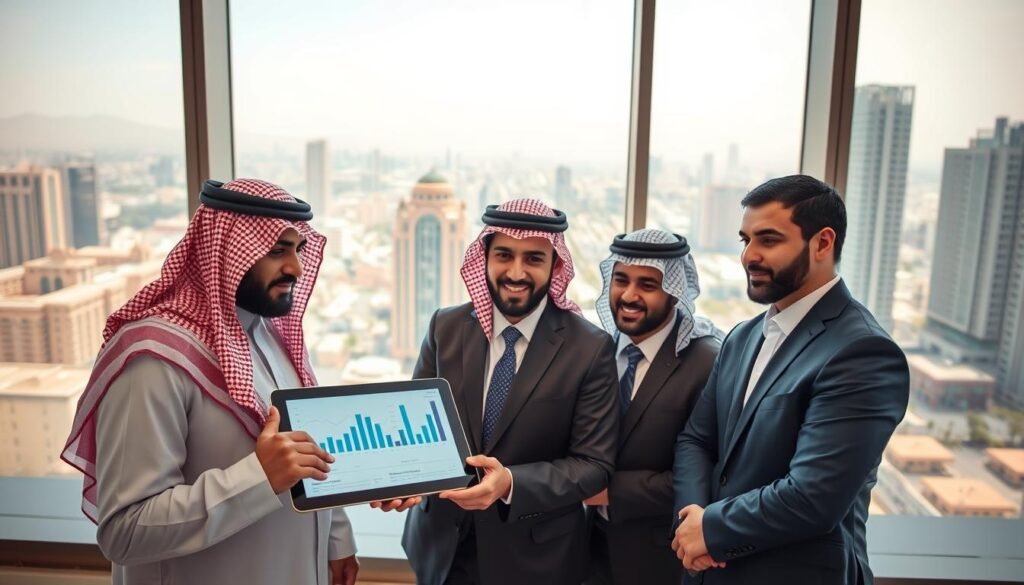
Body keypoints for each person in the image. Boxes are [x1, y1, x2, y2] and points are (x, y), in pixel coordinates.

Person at [61, 179, 358, 585]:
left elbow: (304, 451)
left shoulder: (274, 339)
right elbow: (124, 531)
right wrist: (260, 478)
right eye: (276, 251)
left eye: (298, 249)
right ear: (224, 253)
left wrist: (336, 539)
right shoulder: (153, 359)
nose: (296, 267)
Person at [671, 175, 909, 585]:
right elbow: (697, 439)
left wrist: (712, 529)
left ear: (822, 243)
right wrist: (693, 520)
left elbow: (813, 497)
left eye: (768, 240)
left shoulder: (863, 352)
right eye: (745, 239)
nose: (749, 256)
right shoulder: (743, 336)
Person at [389, 199, 619, 585]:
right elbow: (417, 428)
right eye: (504, 255)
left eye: (533, 258)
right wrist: (398, 481)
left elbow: (593, 466)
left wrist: (510, 483)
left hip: (533, 557)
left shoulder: (589, 348)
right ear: (485, 259)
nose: (516, 272)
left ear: (554, 265)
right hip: (441, 545)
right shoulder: (445, 326)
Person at [584, 229, 722, 585]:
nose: (629, 296)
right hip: (581, 554)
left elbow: (709, 472)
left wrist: (607, 492)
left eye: (647, 284)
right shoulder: (593, 350)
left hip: (659, 561)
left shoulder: (707, 363)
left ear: (675, 291)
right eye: (621, 280)